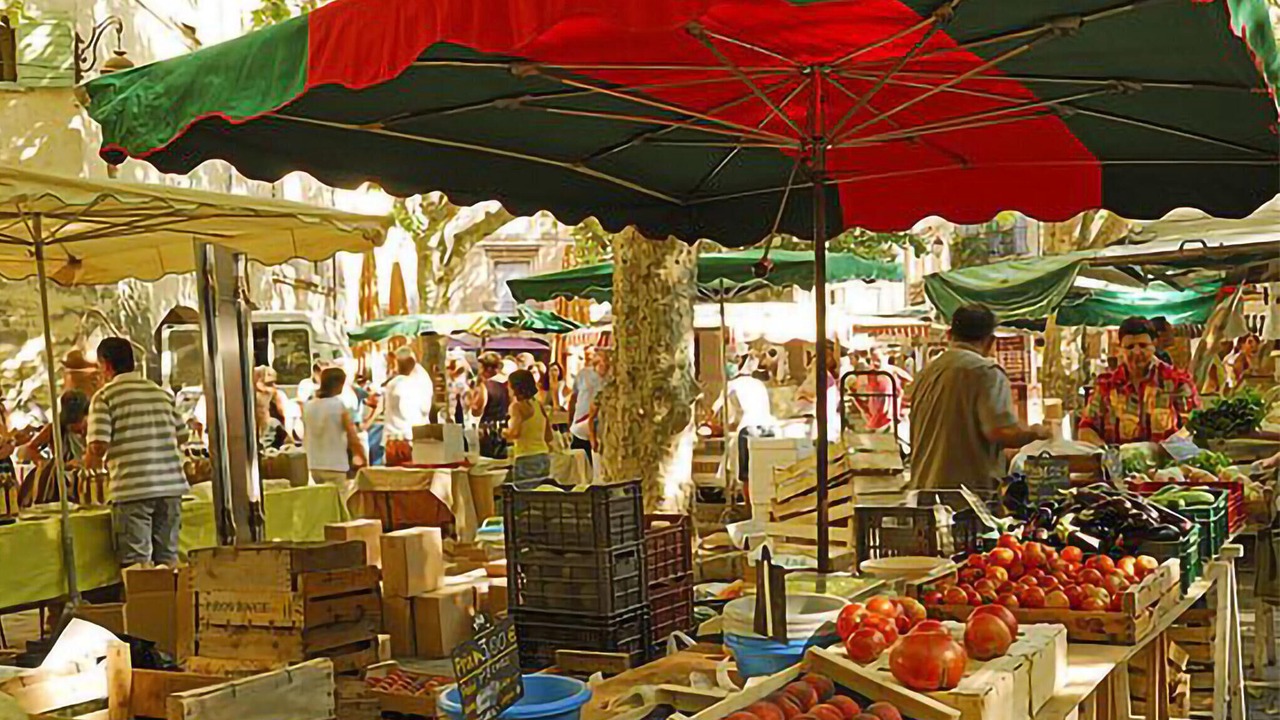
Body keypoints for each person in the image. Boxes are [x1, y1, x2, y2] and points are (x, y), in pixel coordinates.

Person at [910, 306, 1050, 490]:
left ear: (949, 334)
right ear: (991, 341)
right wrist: (1037, 433)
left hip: (924, 488)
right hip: (966, 495)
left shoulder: (927, 372)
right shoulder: (985, 372)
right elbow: (1000, 432)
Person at [86, 338, 188, 568]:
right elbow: (183, 435)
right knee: (168, 557)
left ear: (106, 365)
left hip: (132, 489)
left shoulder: (105, 396)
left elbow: (98, 445)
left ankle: (145, 604)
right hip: (171, 487)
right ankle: (171, 603)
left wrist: (89, 461)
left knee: (137, 563)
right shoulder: (161, 393)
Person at [1078, 316, 1201, 446]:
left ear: (1154, 344)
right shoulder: (1106, 385)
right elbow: (1086, 428)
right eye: (1130, 347)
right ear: (1120, 349)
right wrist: (1108, 453)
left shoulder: (1177, 381)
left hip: (1168, 464)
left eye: (1143, 345)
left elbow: (1194, 426)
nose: (1137, 352)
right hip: (1117, 464)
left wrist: (1167, 450)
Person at [303, 367, 367, 502]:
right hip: (335, 464)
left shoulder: (308, 406)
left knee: (322, 503)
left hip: (314, 463)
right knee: (340, 503)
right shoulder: (338, 406)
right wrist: (362, 456)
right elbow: (352, 436)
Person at [18, 390, 89, 507]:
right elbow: (29, 449)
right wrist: (45, 464)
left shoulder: (93, 428)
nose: (78, 426)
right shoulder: (55, 428)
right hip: (59, 480)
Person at [727, 365, 777, 488]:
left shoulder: (731, 385)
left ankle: (748, 505)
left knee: (746, 474)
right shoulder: (759, 384)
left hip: (749, 429)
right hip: (769, 427)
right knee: (763, 470)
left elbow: (733, 412)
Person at [382, 349, 433, 466]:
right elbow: (425, 409)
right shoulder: (422, 380)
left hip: (397, 440)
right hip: (416, 436)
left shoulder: (395, 384)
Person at [503, 369, 553, 480]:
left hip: (525, 456)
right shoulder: (538, 405)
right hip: (543, 455)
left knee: (524, 495)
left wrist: (503, 432)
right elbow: (549, 435)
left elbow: (515, 432)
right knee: (540, 492)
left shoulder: (517, 407)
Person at [470, 352, 512, 458]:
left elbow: (476, 410)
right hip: (503, 430)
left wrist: (470, 400)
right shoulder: (506, 385)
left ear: (487, 369)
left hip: (487, 432)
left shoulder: (485, 387)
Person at [568, 347, 606, 462]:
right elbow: (573, 397)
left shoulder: (613, 379)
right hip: (581, 426)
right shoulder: (583, 374)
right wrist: (570, 420)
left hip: (602, 430)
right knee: (580, 464)